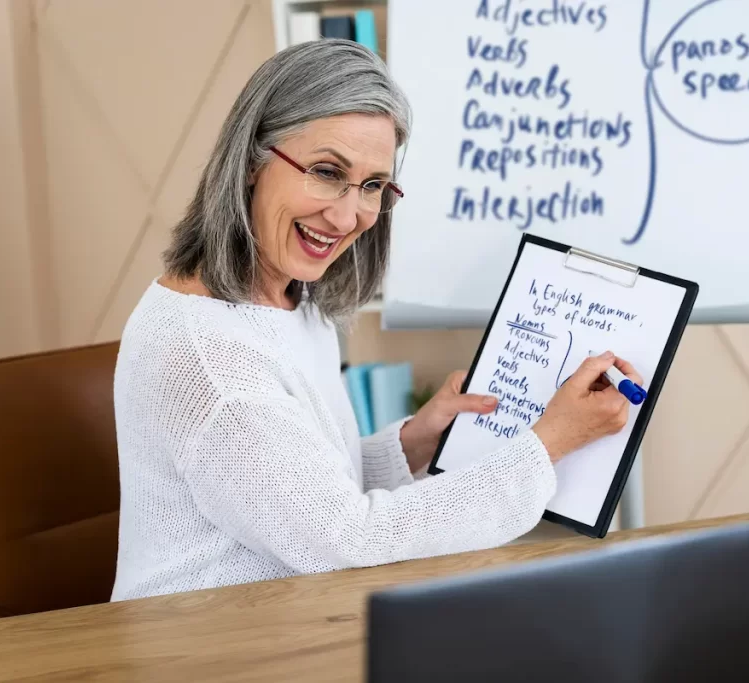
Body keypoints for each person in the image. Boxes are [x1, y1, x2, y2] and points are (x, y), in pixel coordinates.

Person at [109, 39, 642, 601]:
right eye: (325, 171)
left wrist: (413, 442)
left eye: (371, 186)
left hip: (294, 620)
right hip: (211, 649)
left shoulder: (292, 299)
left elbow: (306, 490)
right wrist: (549, 443)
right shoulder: (209, 361)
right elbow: (345, 541)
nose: (346, 216)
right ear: (250, 163)